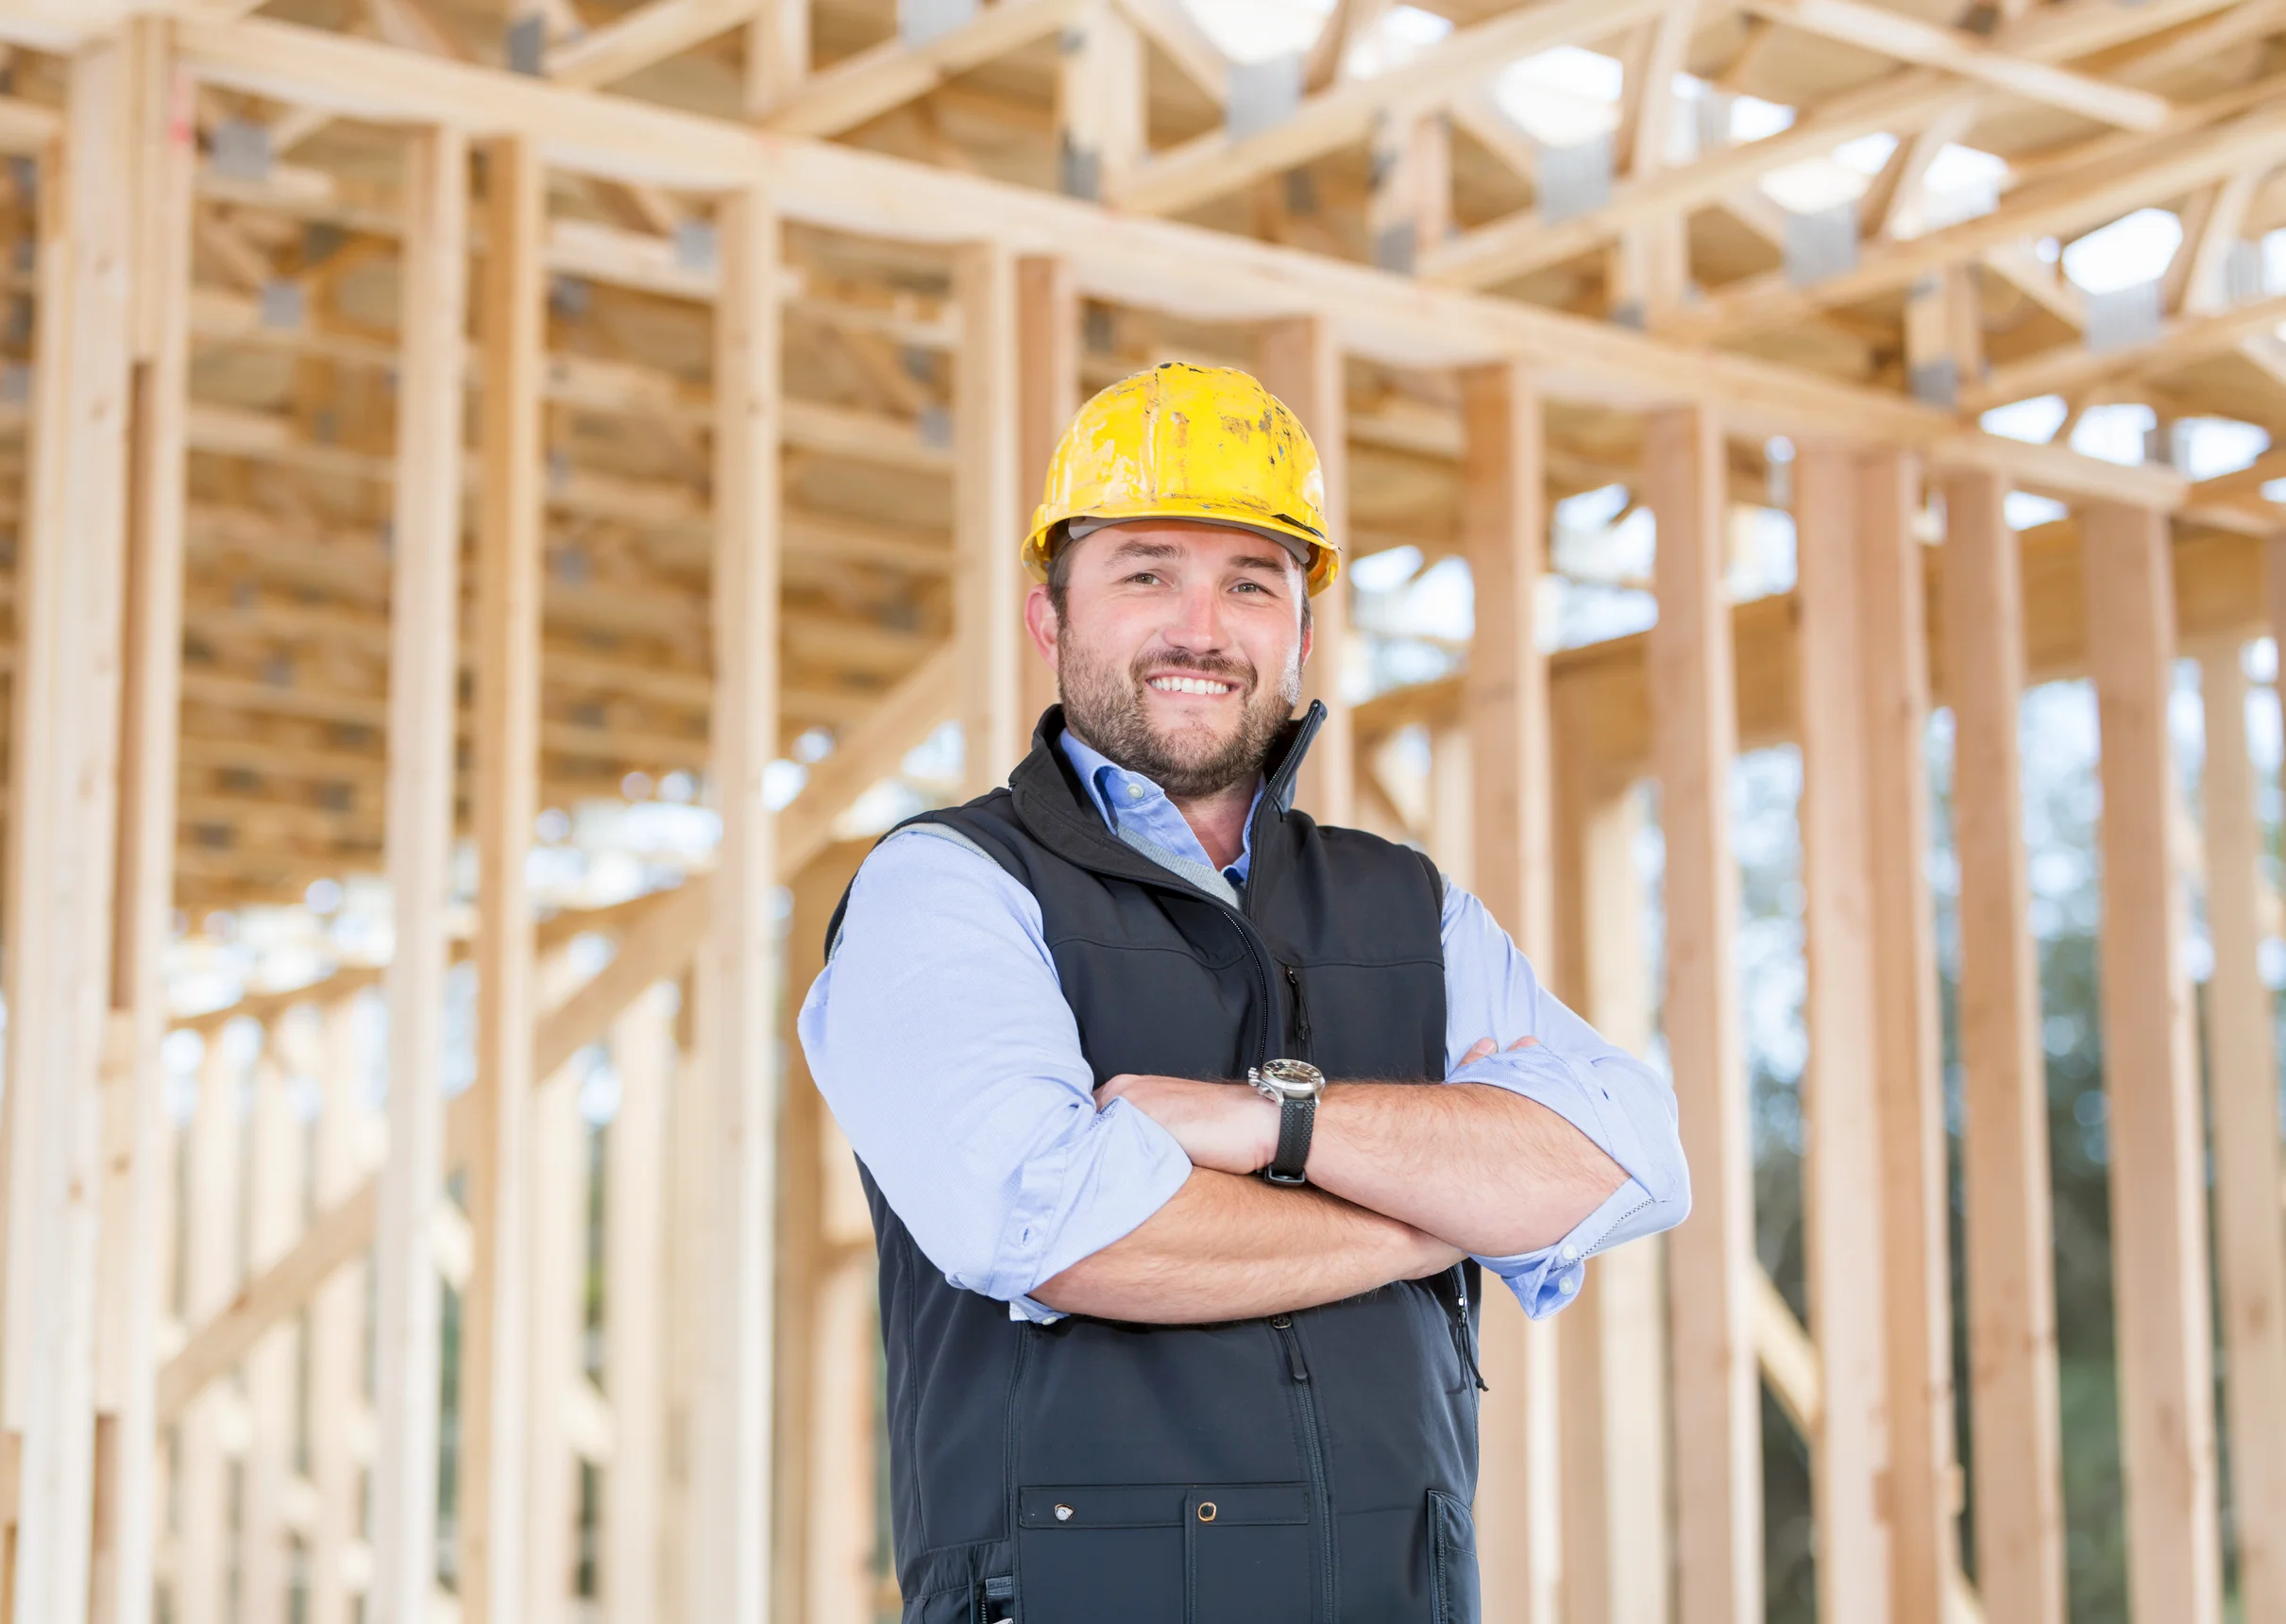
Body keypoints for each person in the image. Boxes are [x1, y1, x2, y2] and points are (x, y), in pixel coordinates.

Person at [799, 363, 1689, 1624]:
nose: (1201, 627)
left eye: (1253, 583)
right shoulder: (947, 888)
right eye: (1147, 574)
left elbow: (1632, 1157)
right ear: (1051, 617)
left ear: (1301, 633)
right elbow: (1053, 1225)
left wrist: (1274, 1123)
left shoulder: (1410, 907)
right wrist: (1445, 1216)